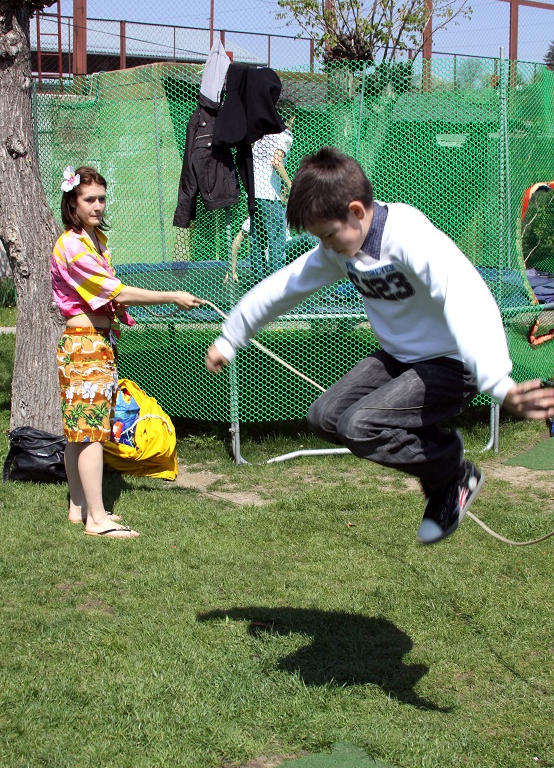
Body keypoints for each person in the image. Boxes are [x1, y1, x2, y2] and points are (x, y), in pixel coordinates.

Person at [206, 147, 554, 545]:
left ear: (356, 211)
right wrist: (231, 337)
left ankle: (452, 472)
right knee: (324, 417)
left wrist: (499, 383)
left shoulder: (409, 238)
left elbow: (467, 300)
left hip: (453, 363)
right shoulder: (340, 250)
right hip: (400, 359)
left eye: (328, 235)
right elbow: (284, 287)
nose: (326, 246)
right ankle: (439, 458)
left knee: (359, 426)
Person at [51, 166, 203, 538]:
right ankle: (97, 520)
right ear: (72, 202)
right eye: (89, 199)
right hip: (85, 345)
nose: (97, 206)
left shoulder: (93, 239)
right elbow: (115, 291)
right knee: (91, 434)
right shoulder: (72, 245)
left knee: (81, 431)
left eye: (102, 199)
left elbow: (109, 297)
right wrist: (172, 296)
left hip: (95, 342)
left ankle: (78, 507)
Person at [249, 101, 296, 280]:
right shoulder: (285, 134)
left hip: (254, 194)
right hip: (269, 196)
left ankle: (258, 282)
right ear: (291, 118)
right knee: (277, 242)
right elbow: (276, 162)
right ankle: (277, 284)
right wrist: (290, 184)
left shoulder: (263, 134)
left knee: (257, 240)